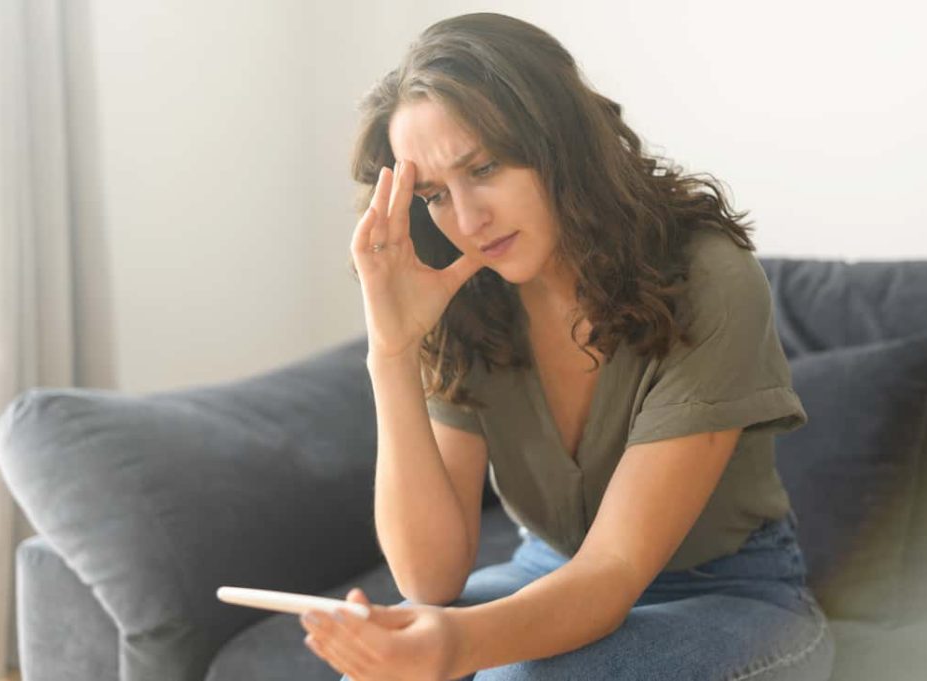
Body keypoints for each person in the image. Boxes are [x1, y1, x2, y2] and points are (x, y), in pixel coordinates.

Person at [298, 12, 835, 681]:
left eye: (484, 167)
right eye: (434, 195)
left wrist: (456, 647)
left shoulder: (708, 277)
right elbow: (429, 579)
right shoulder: (466, 298)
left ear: (559, 141)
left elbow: (612, 571)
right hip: (547, 571)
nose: (467, 220)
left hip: (730, 594)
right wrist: (392, 350)